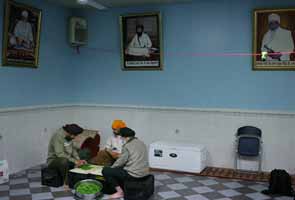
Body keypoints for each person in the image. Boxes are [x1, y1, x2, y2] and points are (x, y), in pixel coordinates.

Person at [102, 127, 150, 199]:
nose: (121, 139)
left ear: (124, 137)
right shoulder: (141, 142)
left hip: (134, 175)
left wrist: (111, 169)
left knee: (106, 170)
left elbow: (120, 161)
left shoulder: (127, 146)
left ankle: (119, 192)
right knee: (118, 169)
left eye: (121, 137)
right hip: (145, 173)